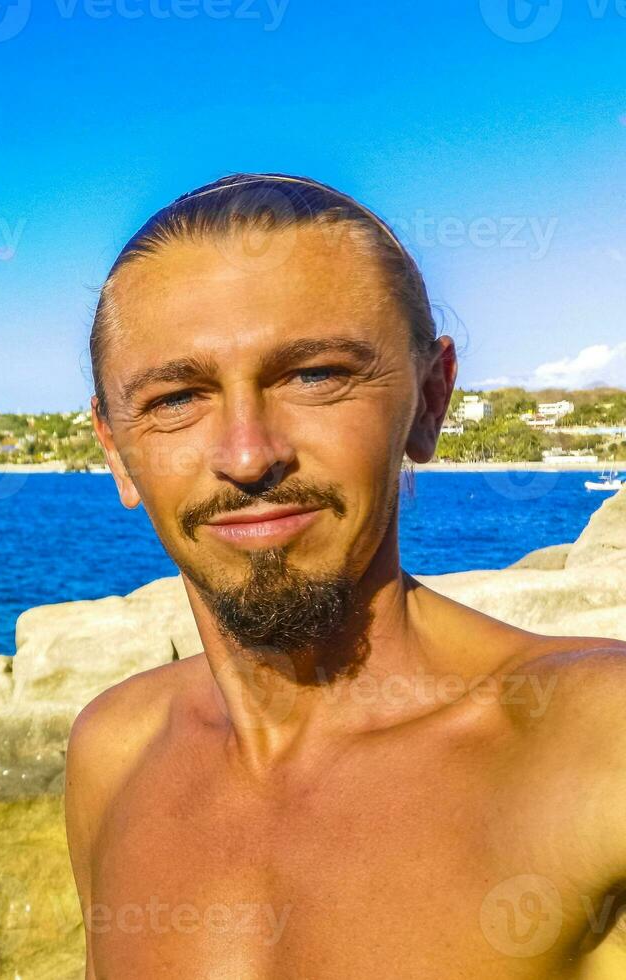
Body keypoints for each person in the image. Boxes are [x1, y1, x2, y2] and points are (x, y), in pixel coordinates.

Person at [65, 173, 626, 978]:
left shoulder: (592, 745)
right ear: (116, 450)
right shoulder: (114, 754)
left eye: (315, 375)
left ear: (430, 400)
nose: (248, 455)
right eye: (177, 397)